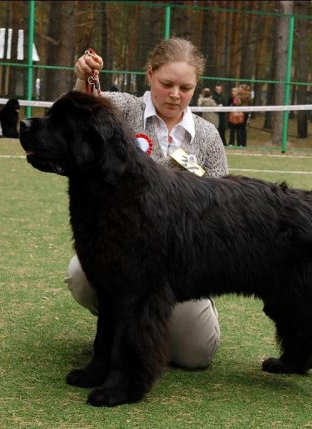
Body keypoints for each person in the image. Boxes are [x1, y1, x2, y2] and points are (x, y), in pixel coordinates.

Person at [70, 37, 228, 369]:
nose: (176, 94)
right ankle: (125, 324)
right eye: (166, 83)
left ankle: (148, 325)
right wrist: (84, 80)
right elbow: (78, 117)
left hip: (181, 267)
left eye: (186, 87)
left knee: (194, 354)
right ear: (149, 75)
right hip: (122, 250)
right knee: (83, 275)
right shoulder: (122, 108)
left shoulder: (208, 136)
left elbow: (221, 206)